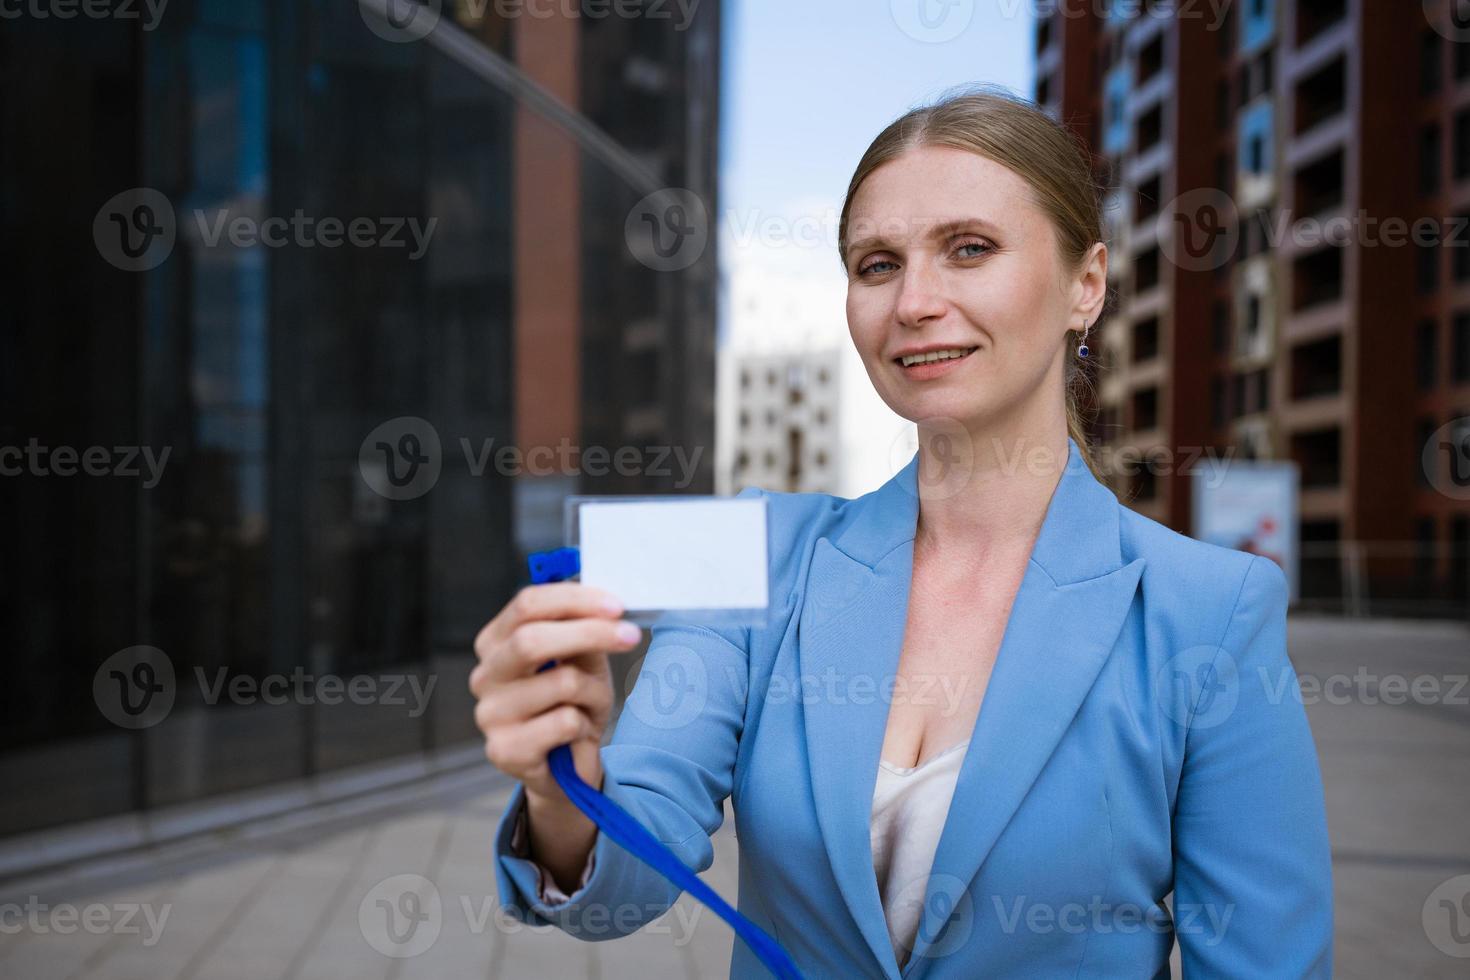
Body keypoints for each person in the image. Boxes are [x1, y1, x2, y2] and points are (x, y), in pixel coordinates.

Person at [468, 86, 1333, 978]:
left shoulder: (1211, 611)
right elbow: (623, 881)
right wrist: (560, 785)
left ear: (1087, 283)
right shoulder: (757, 553)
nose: (915, 302)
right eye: (877, 264)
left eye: (970, 249)